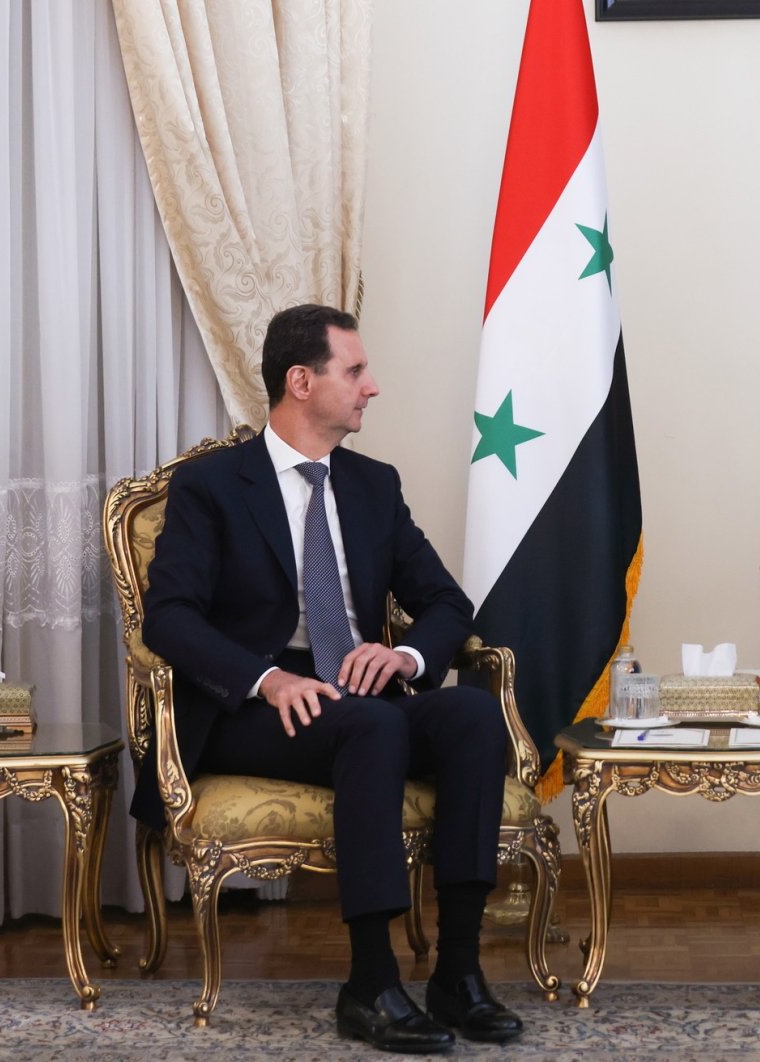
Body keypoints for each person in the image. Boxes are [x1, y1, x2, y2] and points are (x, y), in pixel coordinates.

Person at [132, 304, 522, 1053]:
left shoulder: (374, 486)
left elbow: (445, 601)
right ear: (301, 381)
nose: (372, 386)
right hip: (256, 708)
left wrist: (405, 658)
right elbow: (170, 619)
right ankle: (371, 982)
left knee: (472, 717)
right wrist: (267, 679)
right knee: (372, 725)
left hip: (359, 692)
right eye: (356, 371)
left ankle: (459, 975)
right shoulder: (212, 486)